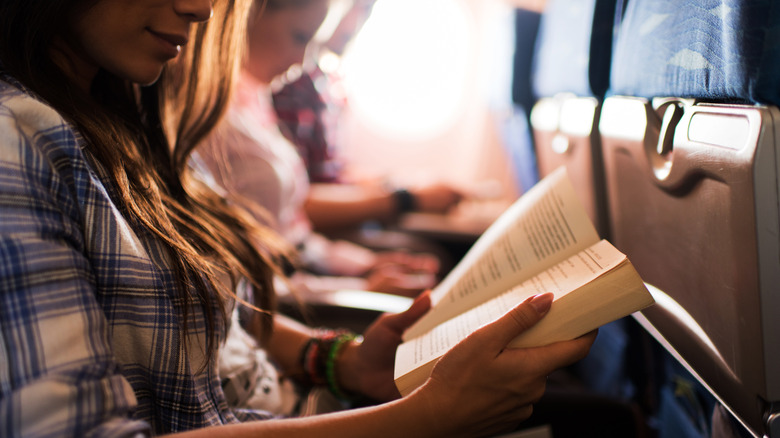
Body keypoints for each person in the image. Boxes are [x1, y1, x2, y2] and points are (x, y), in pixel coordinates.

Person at [0, 1, 596, 437]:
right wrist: (423, 419)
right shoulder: (17, 140)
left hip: (285, 403)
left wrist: (343, 361)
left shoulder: (131, 127)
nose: (200, 8)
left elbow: (216, 317)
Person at [199, 0, 440, 298]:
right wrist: (358, 288)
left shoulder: (254, 98)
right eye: (299, 37)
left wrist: (365, 266)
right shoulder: (210, 116)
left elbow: (296, 239)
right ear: (249, 15)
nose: (303, 60)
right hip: (280, 299)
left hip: (302, 276)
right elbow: (250, 281)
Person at [271, 0, 464, 234]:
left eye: (367, 11)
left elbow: (331, 174)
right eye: (356, 8)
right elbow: (296, 202)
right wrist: (405, 199)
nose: (356, 23)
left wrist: (397, 183)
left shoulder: (327, 80)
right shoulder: (286, 79)